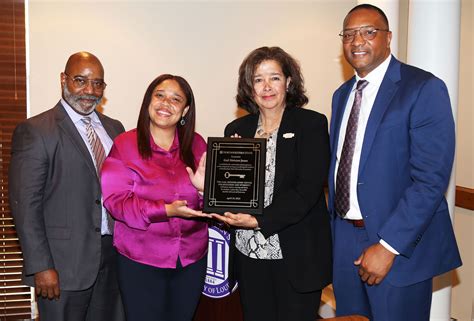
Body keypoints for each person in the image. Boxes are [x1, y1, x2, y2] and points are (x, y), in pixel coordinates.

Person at [328, 4, 462, 321]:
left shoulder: (423, 88)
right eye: (349, 34)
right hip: (345, 238)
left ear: (388, 38)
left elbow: (430, 180)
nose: (357, 41)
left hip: (397, 242)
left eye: (368, 32)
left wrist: (388, 247)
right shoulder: (341, 94)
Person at [213, 46, 332, 321]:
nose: (266, 86)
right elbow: (231, 189)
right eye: (258, 79)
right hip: (249, 253)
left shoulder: (310, 124)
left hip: (295, 255)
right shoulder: (237, 131)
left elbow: (307, 190)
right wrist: (208, 186)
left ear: (289, 82)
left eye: (274, 77)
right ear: (249, 87)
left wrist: (258, 221)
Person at [8, 52, 125, 321]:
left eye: (98, 84)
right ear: (64, 79)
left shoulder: (115, 129)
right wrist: (41, 266)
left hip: (112, 259)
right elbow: (25, 206)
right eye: (80, 80)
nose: (89, 90)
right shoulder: (36, 130)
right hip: (62, 266)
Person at [100, 74, 210, 321]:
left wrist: (205, 191)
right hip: (140, 259)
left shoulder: (197, 144)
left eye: (175, 99)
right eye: (159, 95)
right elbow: (116, 202)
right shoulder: (125, 144)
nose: (165, 103)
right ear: (148, 101)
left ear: (185, 110)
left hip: (191, 259)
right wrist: (166, 210)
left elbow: (213, 202)